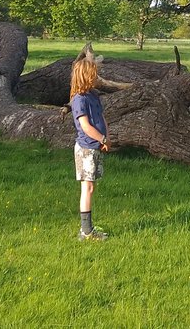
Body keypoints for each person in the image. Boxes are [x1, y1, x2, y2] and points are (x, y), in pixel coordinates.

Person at [70, 52, 111, 241]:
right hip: (86, 149)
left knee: (91, 187)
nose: (97, 78)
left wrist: (106, 137)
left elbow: (101, 118)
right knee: (87, 188)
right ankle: (86, 231)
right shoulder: (79, 99)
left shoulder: (93, 95)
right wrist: (101, 139)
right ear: (86, 76)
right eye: (94, 75)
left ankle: (88, 228)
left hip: (95, 147)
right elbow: (85, 126)